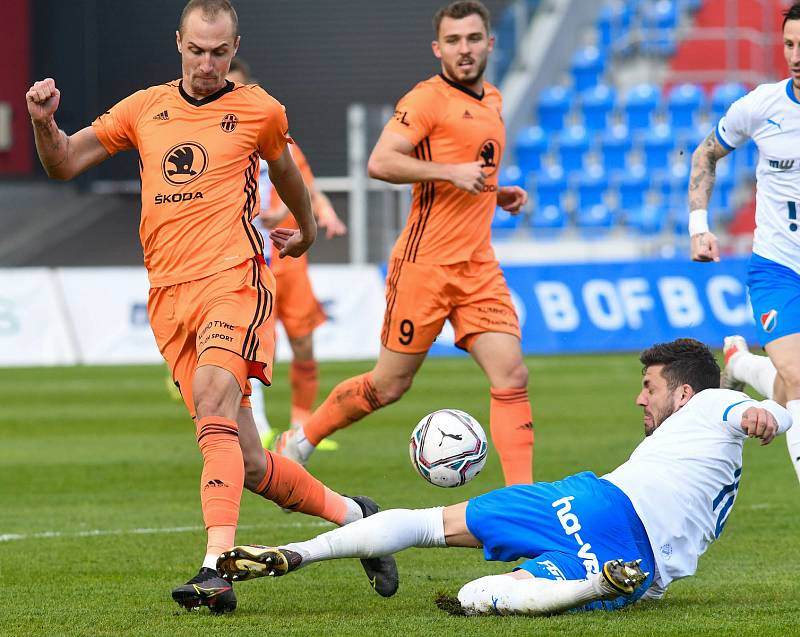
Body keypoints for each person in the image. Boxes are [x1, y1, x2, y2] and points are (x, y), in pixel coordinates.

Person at [25, 0, 396, 613]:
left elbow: (289, 173)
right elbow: (65, 161)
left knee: (216, 401)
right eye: (196, 50)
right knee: (249, 462)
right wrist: (42, 122)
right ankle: (361, 520)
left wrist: (303, 230)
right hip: (169, 298)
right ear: (178, 43)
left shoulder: (258, 109)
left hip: (235, 280)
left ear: (234, 48)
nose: (206, 63)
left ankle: (214, 567)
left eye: (219, 52)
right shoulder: (144, 108)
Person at [217, 338, 791, 616]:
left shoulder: (713, 402)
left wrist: (763, 414)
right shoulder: (709, 429)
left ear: (683, 392)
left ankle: (300, 550)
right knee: (476, 598)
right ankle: (597, 584)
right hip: (621, 533)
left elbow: (756, 412)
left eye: (651, 387)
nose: (639, 398)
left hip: (593, 501)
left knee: (427, 526)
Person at [275, 0, 534, 487]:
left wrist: (496, 193)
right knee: (388, 385)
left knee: (512, 376)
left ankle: (522, 503)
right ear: (438, 48)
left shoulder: (493, 100)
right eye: (454, 41)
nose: (465, 49)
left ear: (489, 43)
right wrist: (449, 172)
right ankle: (301, 440)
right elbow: (381, 162)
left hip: (478, 267)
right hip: (424, 266)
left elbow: (467, 169)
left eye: (473, 39)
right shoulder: (425, 100)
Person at [688, 1, 800, 485]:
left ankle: (741, 364)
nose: (796, 55)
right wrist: (699, 225)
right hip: (778, 268)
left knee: (789, 381)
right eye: (790, 44)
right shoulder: (760, 107)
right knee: (798, 379)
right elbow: (705, 155)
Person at [226, 58, 345, 451]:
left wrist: (324, 213)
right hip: (241, 258)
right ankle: (256, 423)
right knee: (247, 345)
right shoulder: (212, 145)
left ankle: (301, 426)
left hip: (287, 257)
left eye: (237, 86)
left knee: (303, 343)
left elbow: (306, 183)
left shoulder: (273, 134)